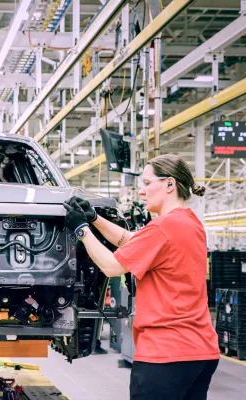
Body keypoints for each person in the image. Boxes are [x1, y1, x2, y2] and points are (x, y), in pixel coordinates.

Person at [63, 154, 219, 400]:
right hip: (200, 352)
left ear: (169, 184)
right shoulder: (189, 223)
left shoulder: (162, 228)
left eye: (147, 183)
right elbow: (131, 241)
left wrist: (81, 230)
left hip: (165, 354)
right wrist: (94, 219)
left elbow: (111, 266)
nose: (142, 191)